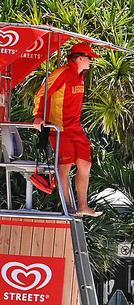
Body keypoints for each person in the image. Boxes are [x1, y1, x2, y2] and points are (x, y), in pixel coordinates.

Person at [33, 43, 101, 217]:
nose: (91, 62)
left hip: (75, 128)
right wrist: (38, 115)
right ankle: (68, 207)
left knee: (85, 164)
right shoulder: (62, 73)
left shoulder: (80, 76)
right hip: (60, 129)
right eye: (89, 58)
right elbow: (43, 92)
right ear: (79, 58)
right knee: (64, 168)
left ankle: (83, 206)